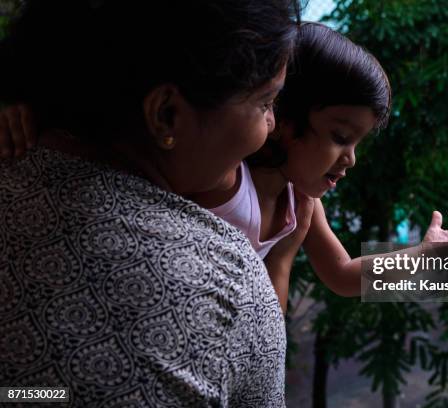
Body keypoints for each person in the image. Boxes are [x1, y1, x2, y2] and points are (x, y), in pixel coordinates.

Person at [0, 23, 448, 314]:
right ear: (279, 114)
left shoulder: (302, 204)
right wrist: (29, 108)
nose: (350, 159)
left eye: (357, 143)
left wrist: (426, 257)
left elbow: (345, 276)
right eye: (340, 137)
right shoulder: (215, 174)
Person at [0, 0, 301, 406]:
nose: (350, 158)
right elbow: (339, 275)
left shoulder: (296, 203)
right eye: (266, 103)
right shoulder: (236, 271)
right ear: (165, 115)